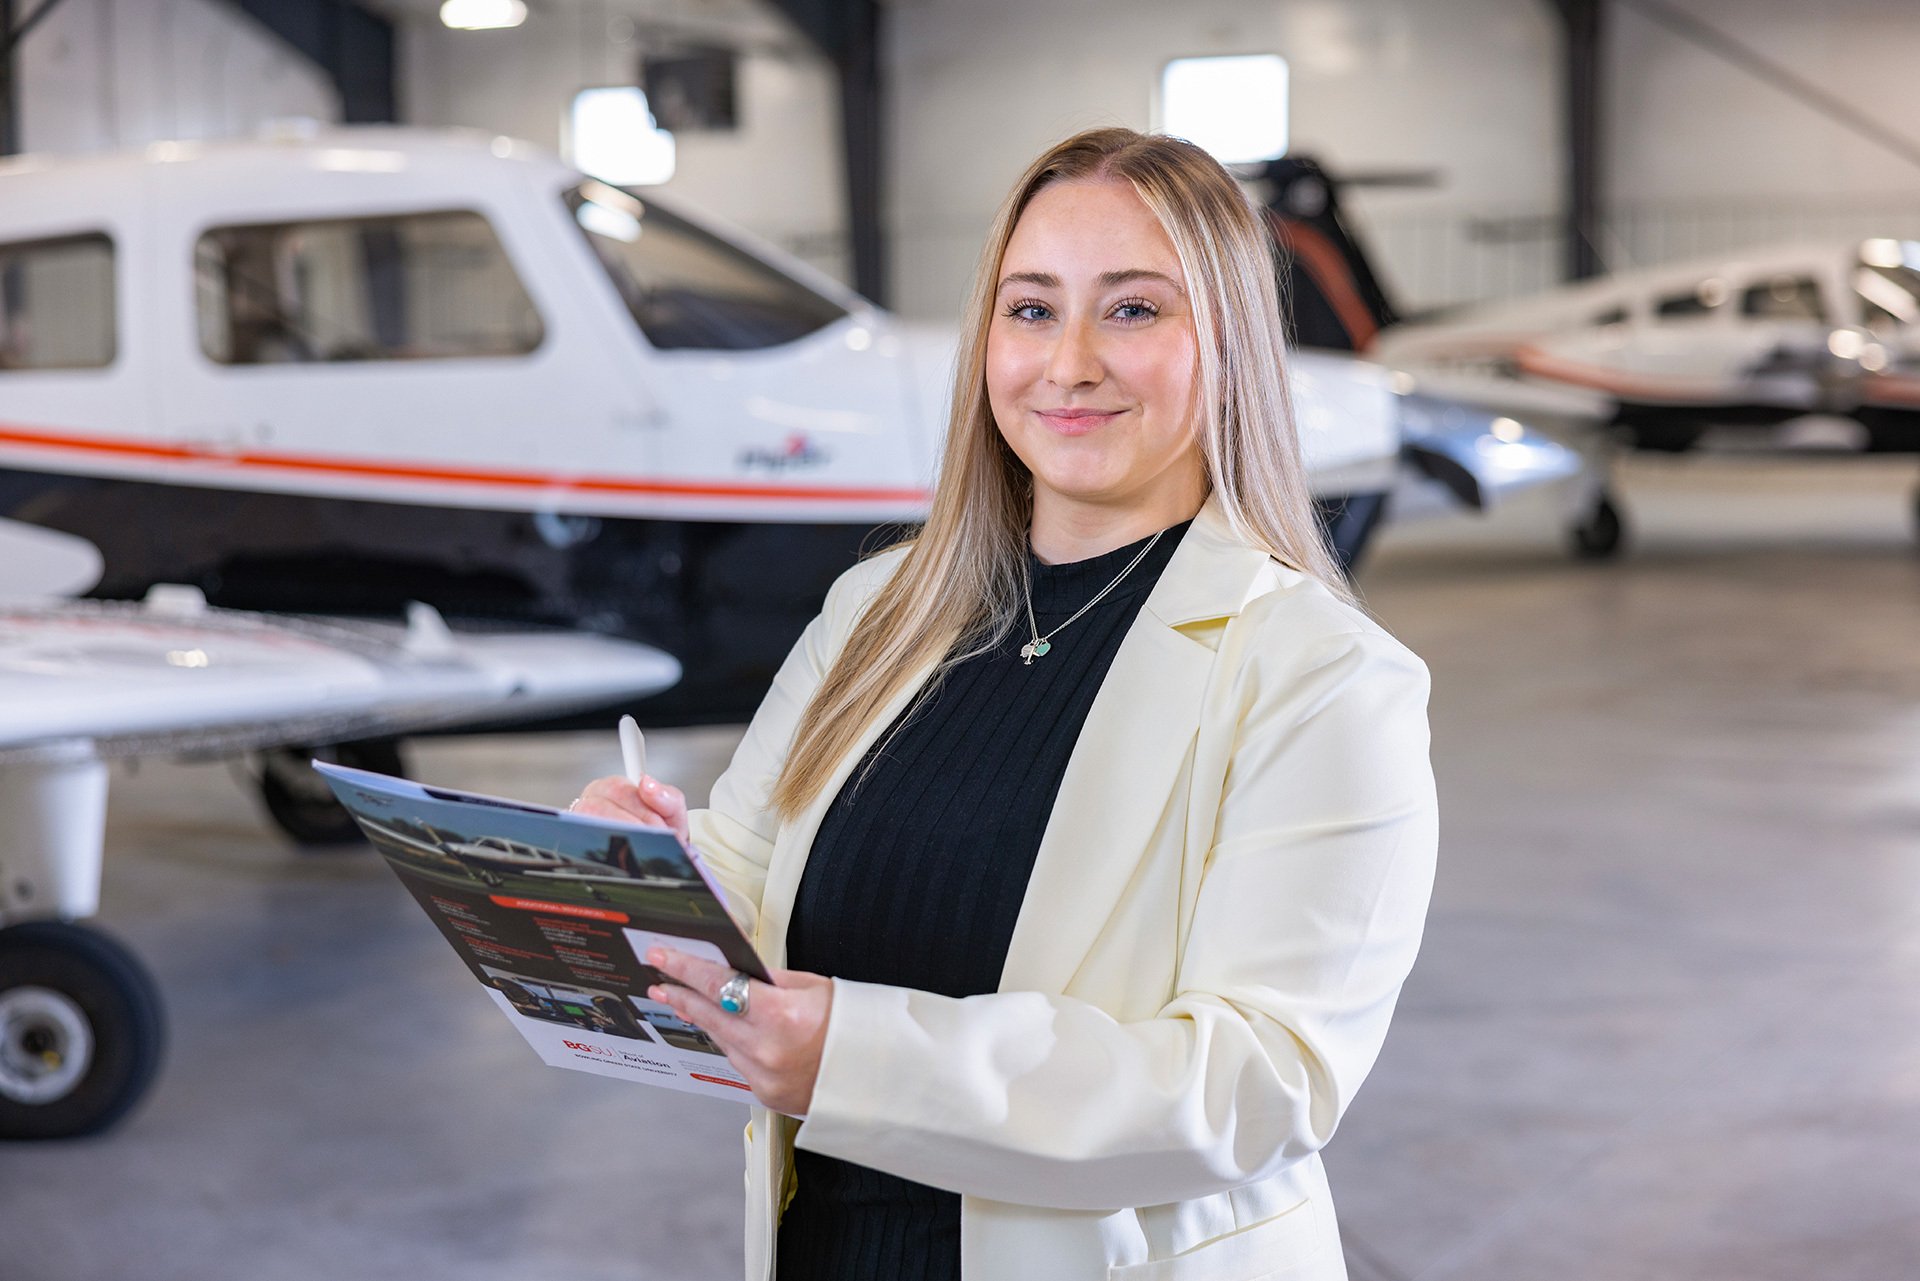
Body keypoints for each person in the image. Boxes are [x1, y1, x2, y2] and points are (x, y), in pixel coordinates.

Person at [575, 126, 1437, 1281]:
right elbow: (740, 881)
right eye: (1031, 310)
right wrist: (635, 873)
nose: (1068, 362)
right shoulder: (876, 610)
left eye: (1132, 311)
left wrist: (854, 1059)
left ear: (1227, 343)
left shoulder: (1322, 677)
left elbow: (1257, 1084)